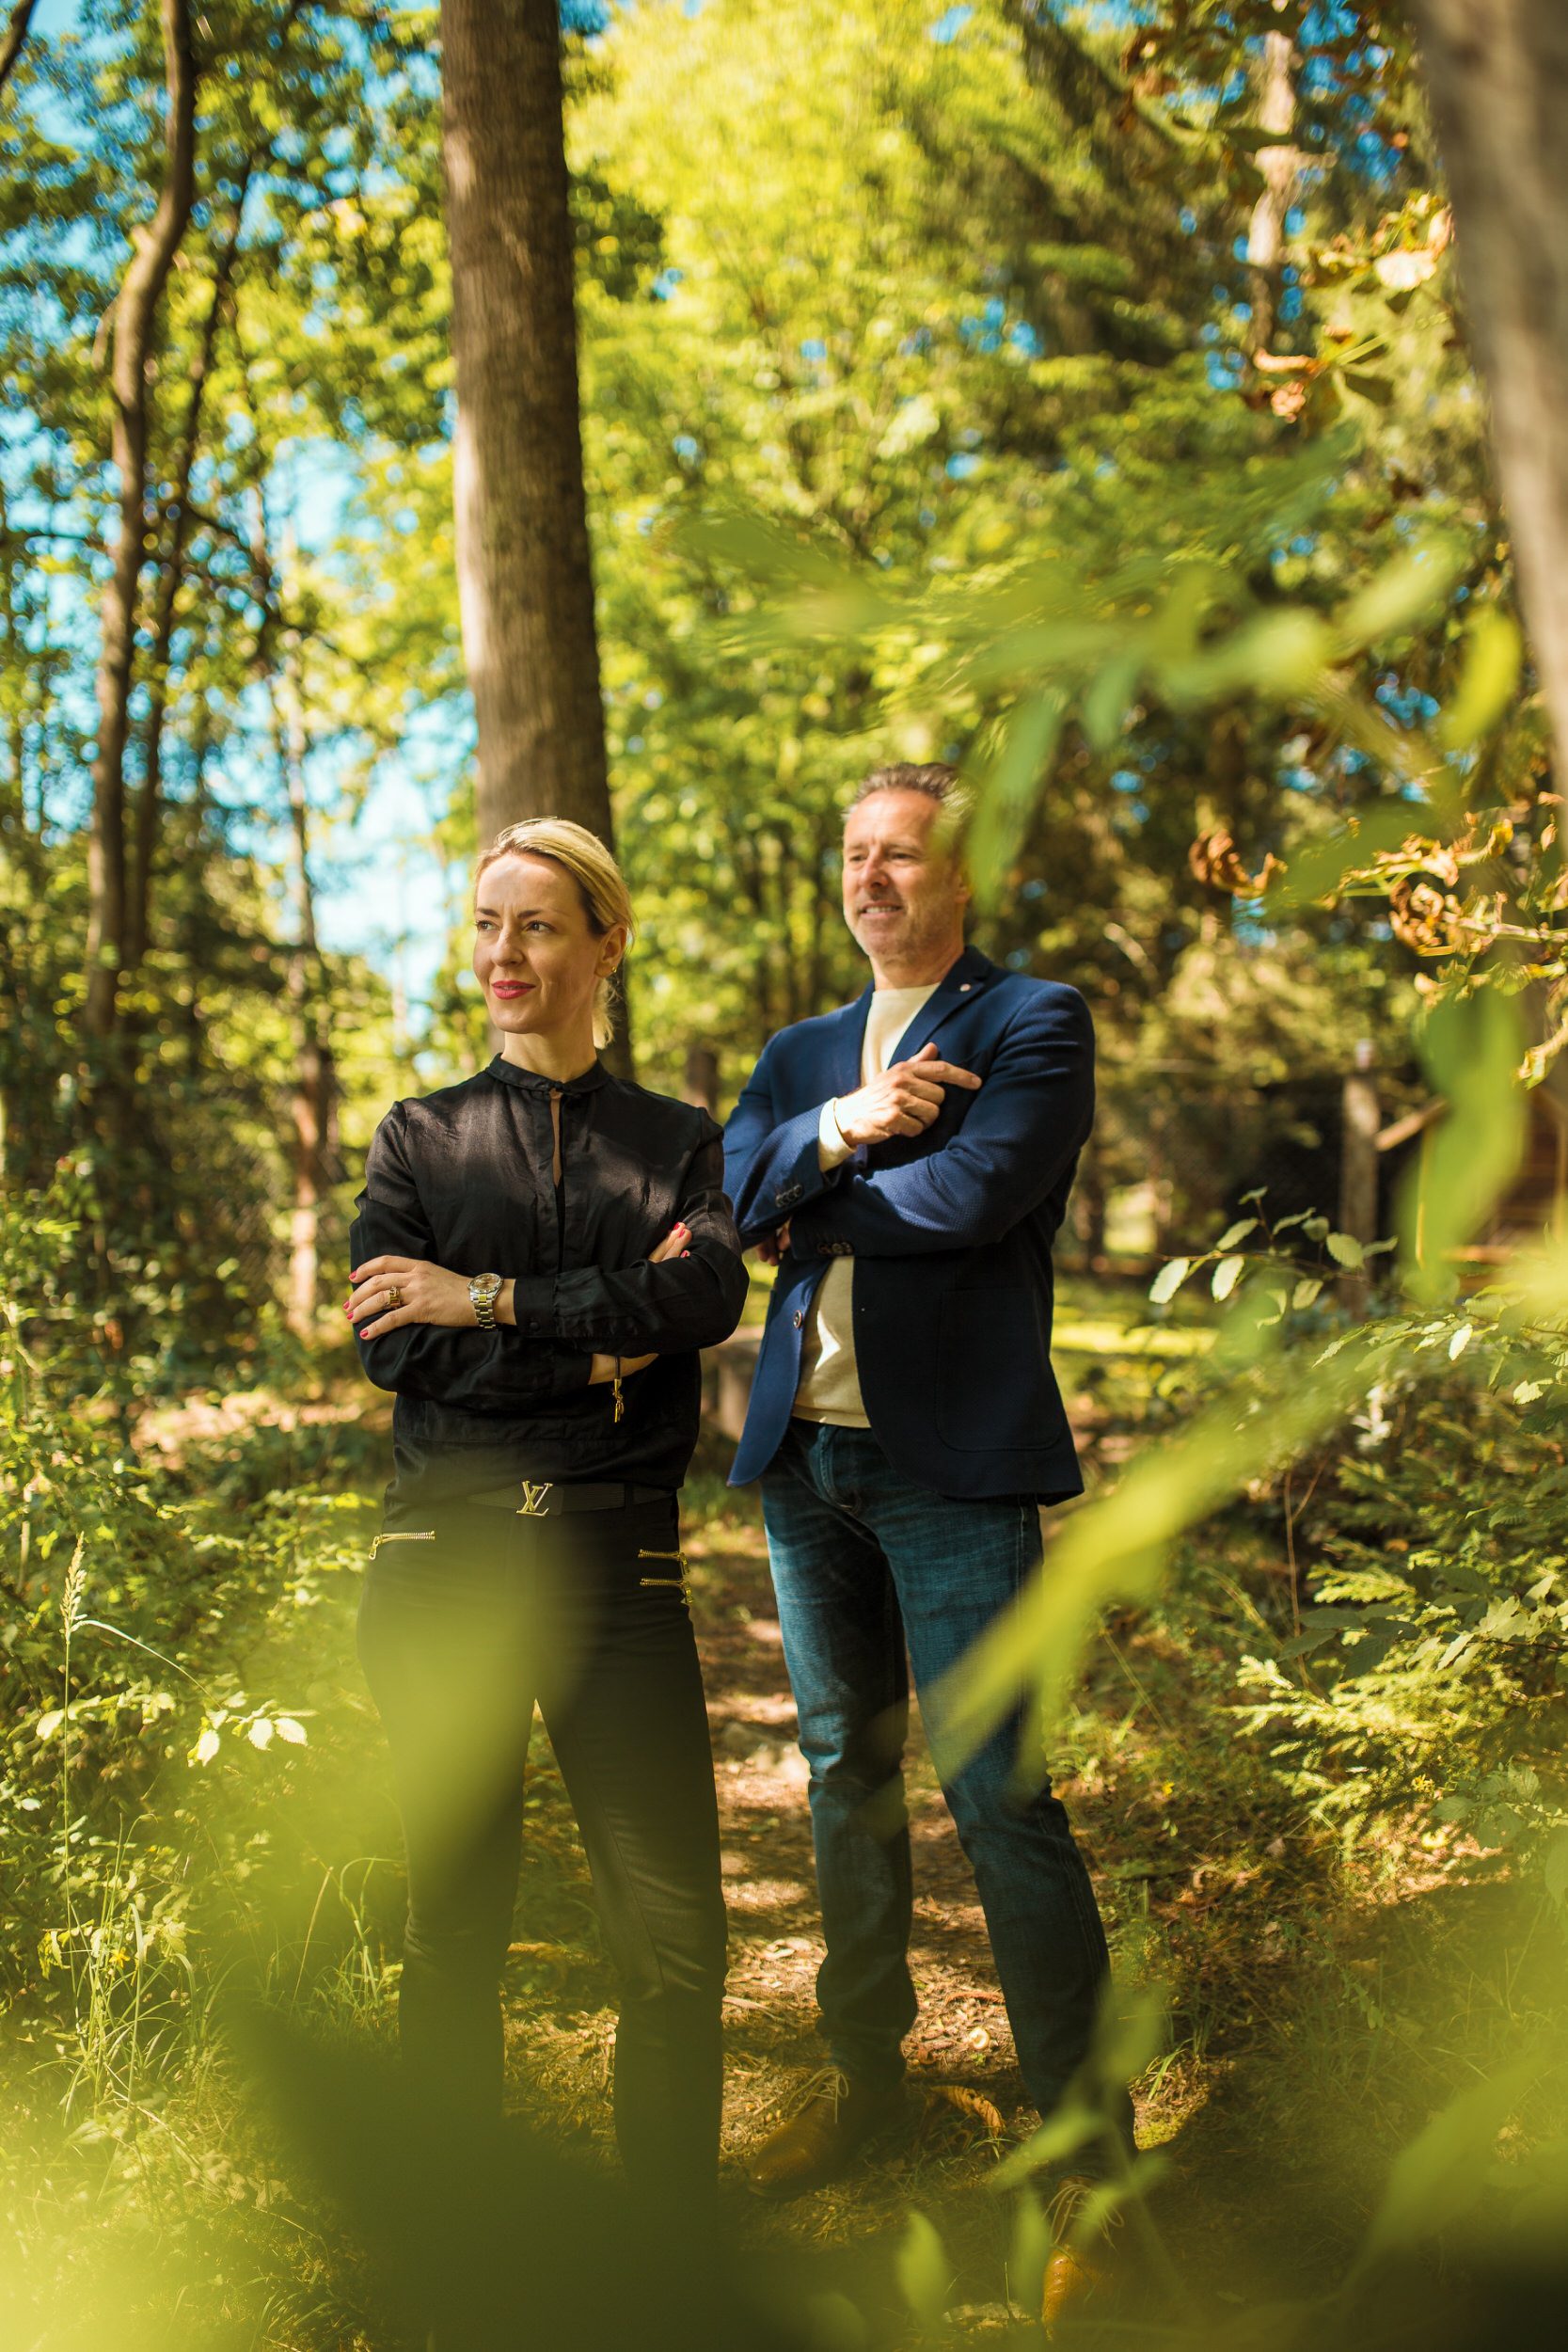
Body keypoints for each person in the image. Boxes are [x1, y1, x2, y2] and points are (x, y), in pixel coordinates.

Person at [722, 766, 1129, 2299]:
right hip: (805, 1462)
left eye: (902, 854)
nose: (872, 878)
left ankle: (1092, 2163)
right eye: (856, 854)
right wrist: (840, 1124)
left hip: (953, 1464)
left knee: (998, 1795)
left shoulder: (1033, 1020)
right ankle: (866, 2090)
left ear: (963, 874)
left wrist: (807, 1195)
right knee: (842, 1772)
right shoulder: (801, 1052)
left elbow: (974, 1196)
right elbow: (723, 1198)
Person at [346, 818, 748, 2268]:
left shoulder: (677, 1141)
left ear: (605, 943)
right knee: (455, 1934)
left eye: (536, 925)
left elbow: (704, 1302)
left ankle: (667, 2270)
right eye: (486, 923)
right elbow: (396, 1352)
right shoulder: (418, 1137)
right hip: (443, 1572)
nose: (502, 954)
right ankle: (448, 2261)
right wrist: (601, 1341)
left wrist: (489, 1300)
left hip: (614, 1576)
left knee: (676, 1944)